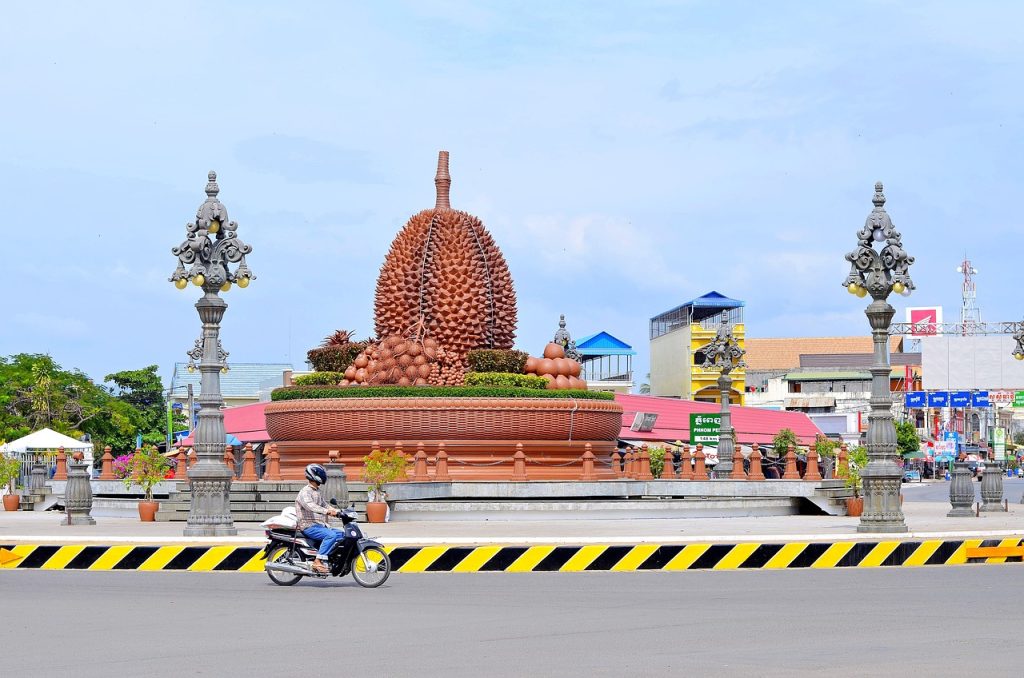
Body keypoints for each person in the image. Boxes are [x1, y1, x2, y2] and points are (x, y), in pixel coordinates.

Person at [295, 463, 342, 574]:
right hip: (308, 526)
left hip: (319, 525)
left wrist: (339, 512)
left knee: (342, 535)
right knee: (331, 535)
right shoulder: (305, 491)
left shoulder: (317, 491)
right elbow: (310, 506)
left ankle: (329, 558)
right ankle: (317, 561)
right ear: (313, 475)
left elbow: (324, 505)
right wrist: (327, 511)